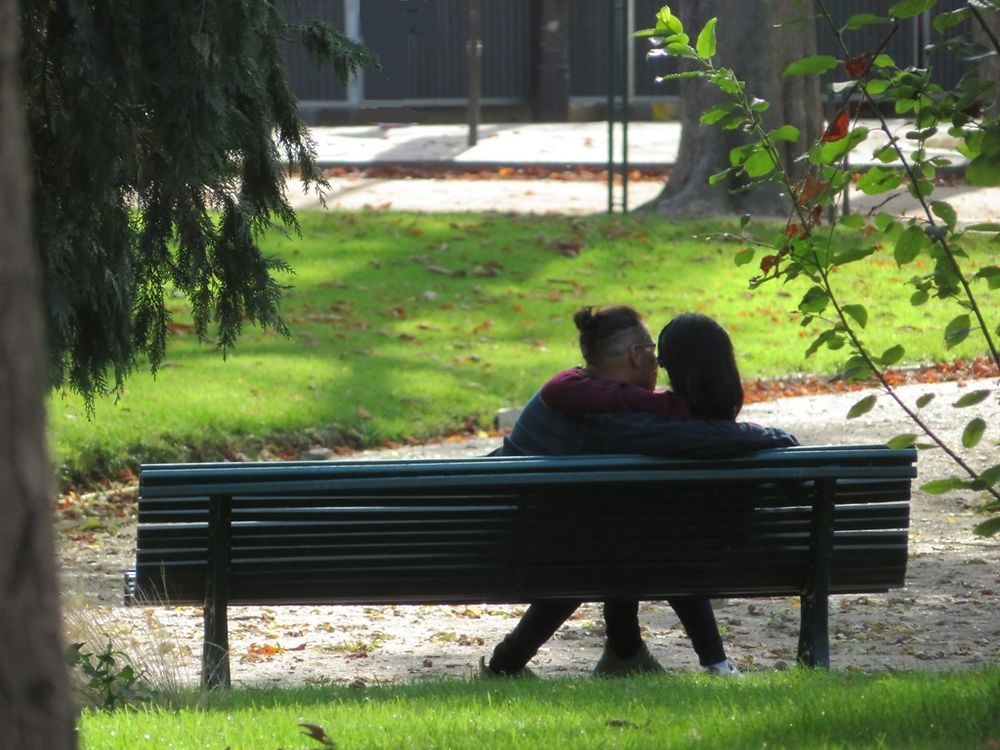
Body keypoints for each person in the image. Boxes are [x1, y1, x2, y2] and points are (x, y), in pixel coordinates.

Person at [480, 306, 798, 679]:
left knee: (628, 526)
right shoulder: (602, 414)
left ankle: (621, 652)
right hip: (536, 545)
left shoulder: (580, 394)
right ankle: (702, 662)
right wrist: (769, 436)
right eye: (654, 355)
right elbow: (691, 435)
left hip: (519, 535)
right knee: (645, 537)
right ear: (635, 355)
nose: (659, 367)